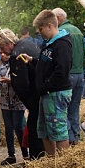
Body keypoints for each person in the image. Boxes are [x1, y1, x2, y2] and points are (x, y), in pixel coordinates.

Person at [0, 29, 44, 159]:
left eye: (2, 47)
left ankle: (35, 158)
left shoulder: (16, 55)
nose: (2, 51)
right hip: (43, 90)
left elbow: (21, 84)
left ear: (9, 42)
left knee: (33, 129)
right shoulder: (27, 43)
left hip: (34, 96)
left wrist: (27, 102)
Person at [31, 10, 73, 156]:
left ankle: (63, 164)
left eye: (41, 29)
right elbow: (48, 65)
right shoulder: (49, 43)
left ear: (49, 26)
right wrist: (32, 60)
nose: (40, 33)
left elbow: (62, 71)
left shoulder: (61, 44)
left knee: (58, 129)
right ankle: (51, 161)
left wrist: (46, 86)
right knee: (44, 129)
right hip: (47, 93)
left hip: (56, 93)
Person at [53, 8, 85, 145]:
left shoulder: (62, 33)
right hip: (80, 74)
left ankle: (69, 138)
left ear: (58, 18)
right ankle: (76, 137)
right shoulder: (78, 31)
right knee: (74, 108)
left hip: (68, 75)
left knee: (63, 109)